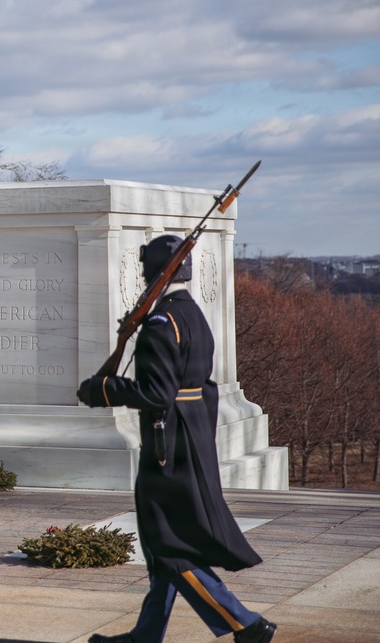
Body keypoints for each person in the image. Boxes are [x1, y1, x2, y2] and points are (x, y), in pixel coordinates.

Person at [76, 235, 277, 643]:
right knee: (163, 543)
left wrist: (103, 390)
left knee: (168, 544)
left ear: (152, 273)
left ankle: (245, 623)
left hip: (167, 447)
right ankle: (145, 636)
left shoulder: (160, 323)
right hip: (190, 440)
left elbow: (157, 393)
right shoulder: (191, 314)